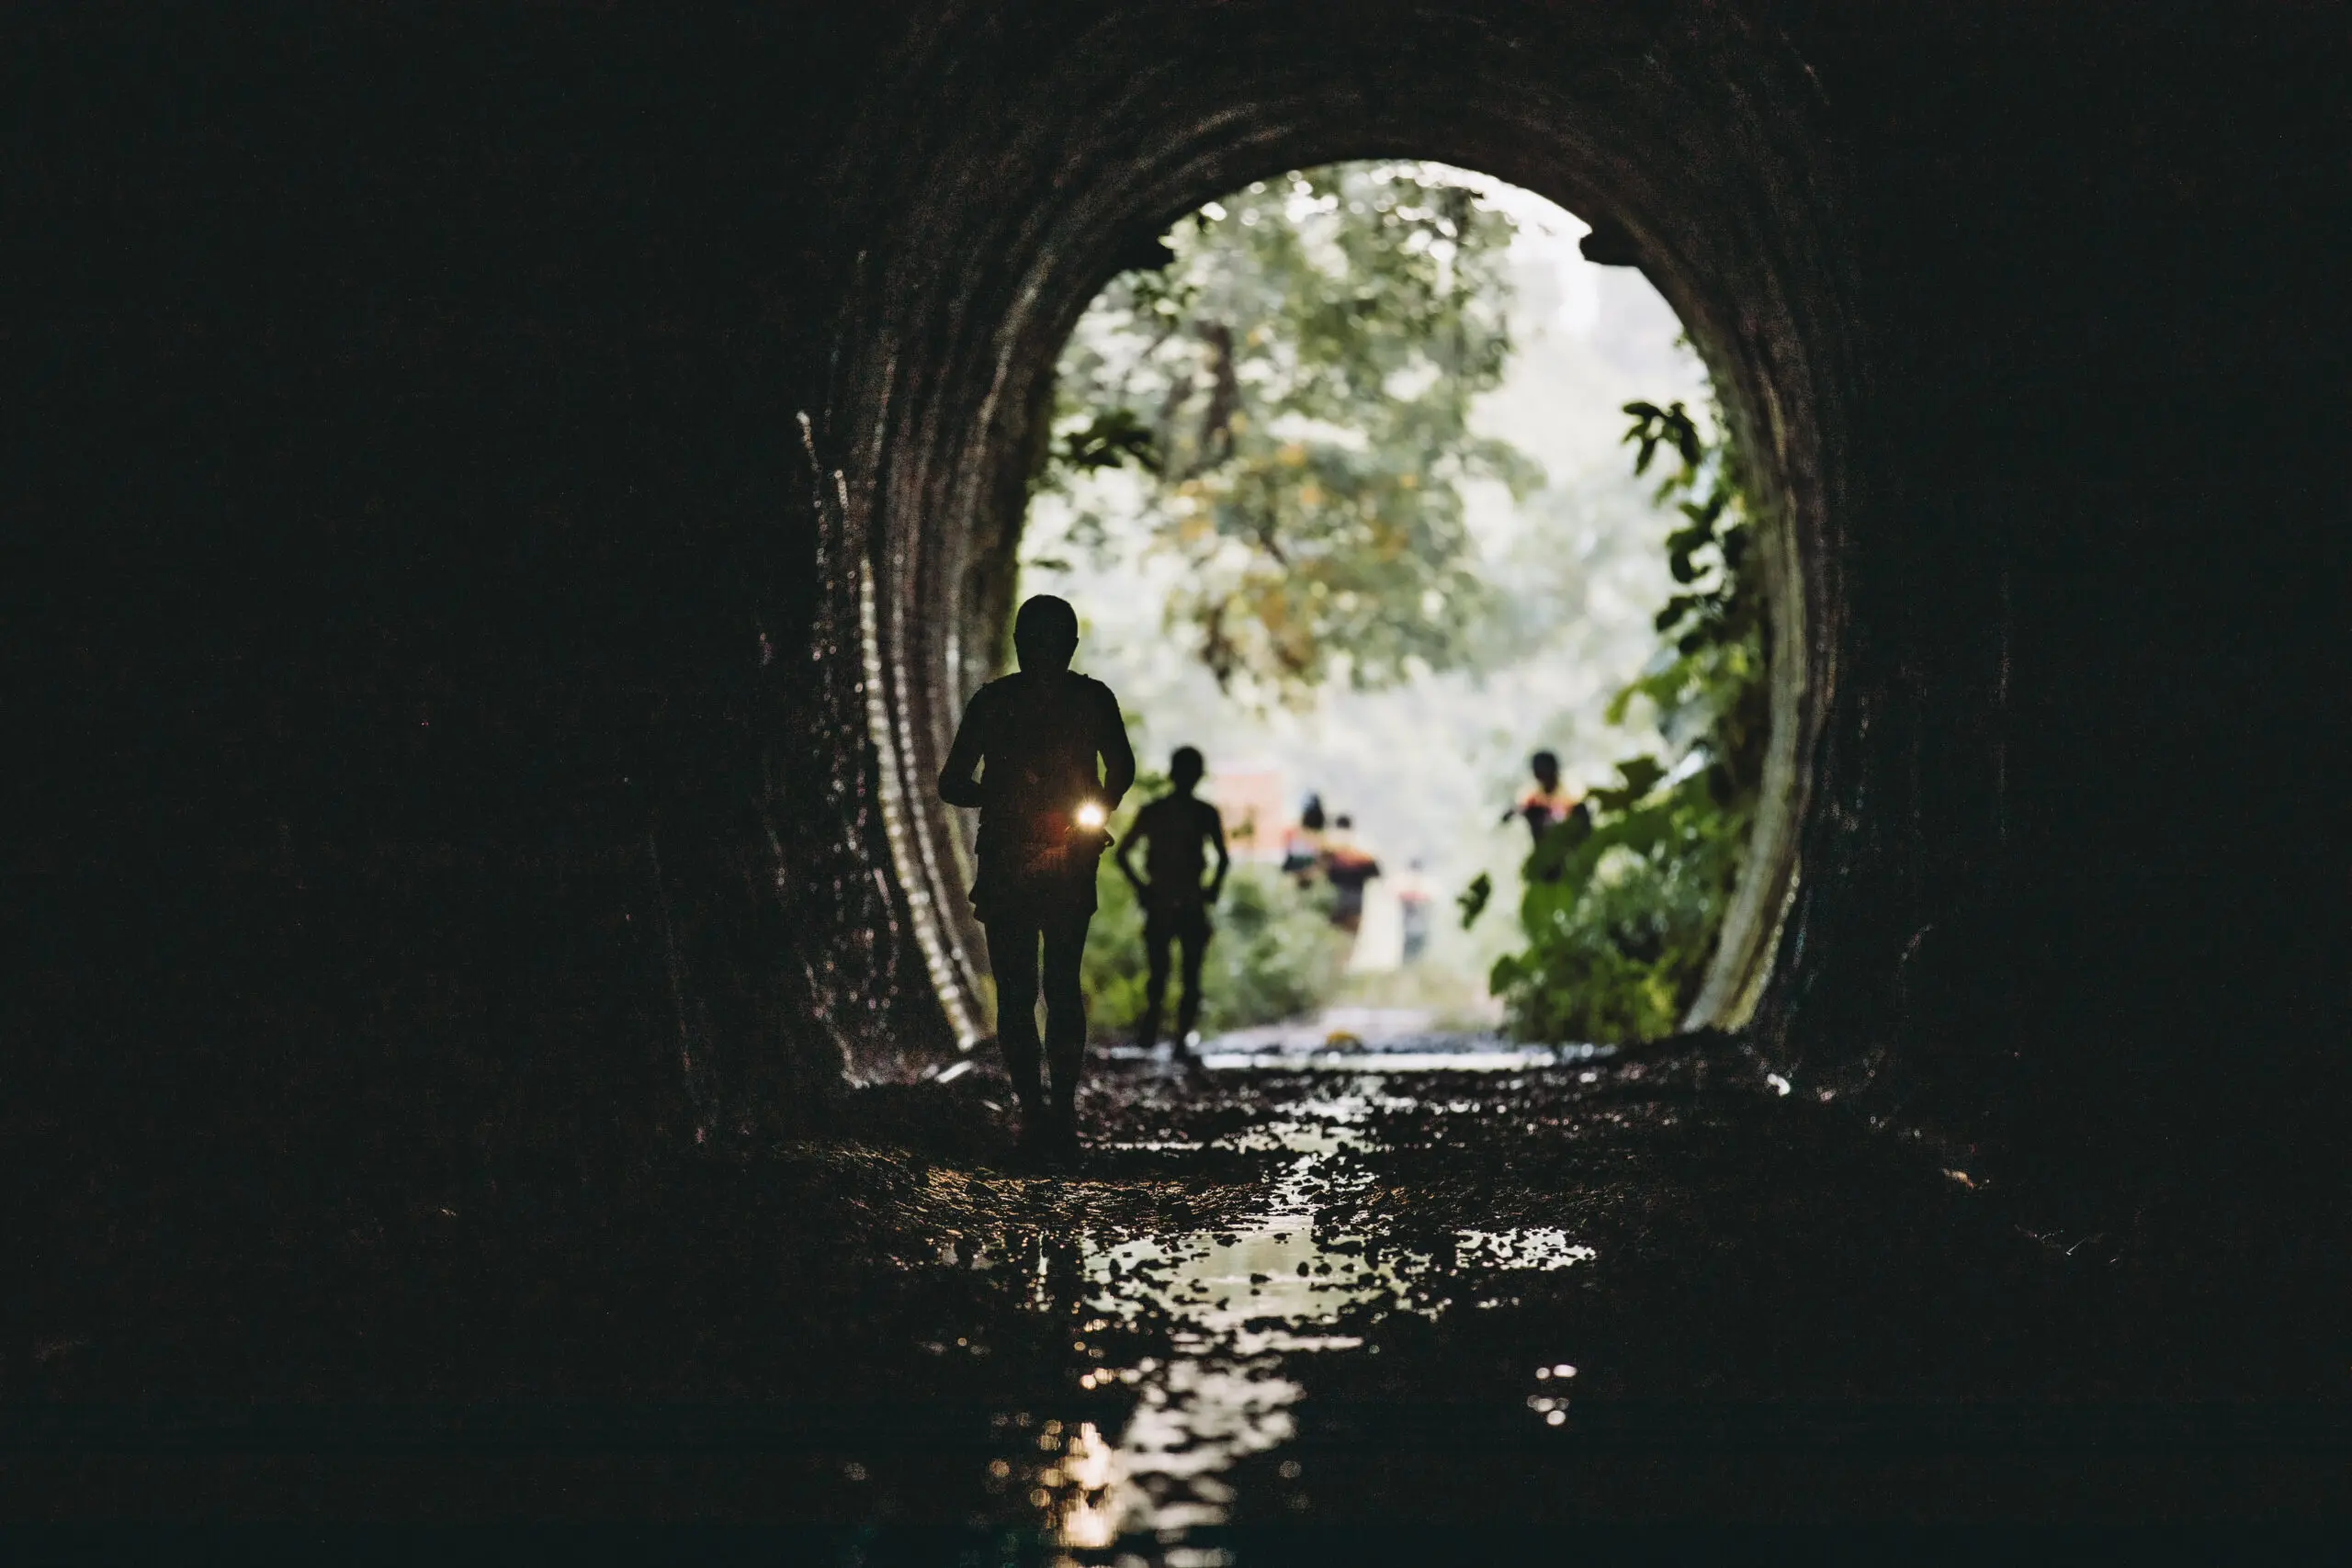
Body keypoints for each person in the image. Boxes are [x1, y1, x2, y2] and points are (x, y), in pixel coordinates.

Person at [938, 594, 1135, 1161]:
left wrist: (1096, 806)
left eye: (1054, 643)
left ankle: (1060, 1112)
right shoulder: (996, 703)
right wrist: (999, 796)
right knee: (1023, 989)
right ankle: (1034, 1110)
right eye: (1035, 642)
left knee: (1060, 986)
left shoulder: (1089, 700)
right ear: (1020, 645)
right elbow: (952, 780)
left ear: (1071, 647)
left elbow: (1121, 766)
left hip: (1066, 856)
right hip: (1009, 857)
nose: (1044, 653)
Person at [1115, 745, 1230, 1072]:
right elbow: (1222, 858)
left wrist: (1143, 889)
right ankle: (1178, 1036)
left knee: (1160, 970)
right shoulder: (1204, 813)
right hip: (1189, 900)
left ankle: (1153, 1032)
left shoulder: (1155, 811)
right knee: (1188, 973)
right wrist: (1211, 891)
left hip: (1162, 900)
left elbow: (1123, 853)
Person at [1320, 814, 1383, 934]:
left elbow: (1318, 868)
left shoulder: (1327, 844)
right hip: (1355, 902)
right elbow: (1376, 874)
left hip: (1331, 900)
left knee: (1329, 935)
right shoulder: (1362, 848)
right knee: (1349, 937)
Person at [1506, 750, 1582, 844]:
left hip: (1570, 834)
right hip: (1545, 837)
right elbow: (1515, 810)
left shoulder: (1569, 787)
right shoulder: (1532, 792)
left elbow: (1577, 804)